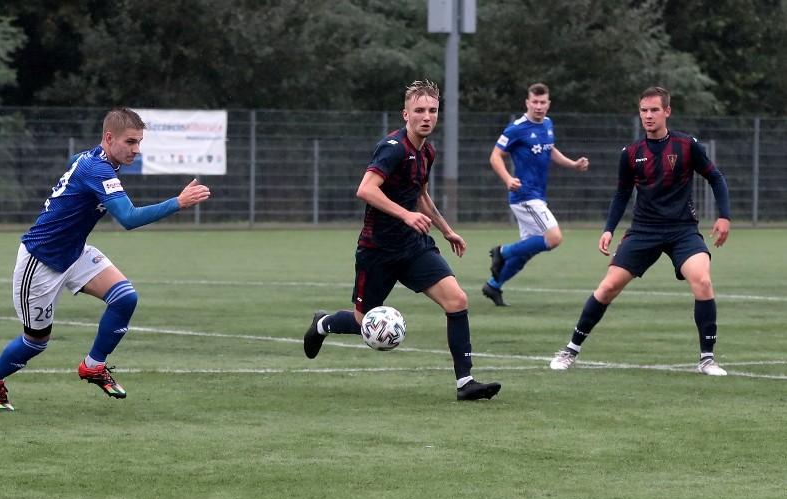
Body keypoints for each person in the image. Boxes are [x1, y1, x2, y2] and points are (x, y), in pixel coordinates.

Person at [0, 107, 211, 410]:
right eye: (130, 142)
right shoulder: (98, 169)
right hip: (42, 260)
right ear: (110, 138)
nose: (136, 150)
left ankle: (93, 365)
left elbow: (76, 162)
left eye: (139, 142)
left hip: (75, 251)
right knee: (36, 342)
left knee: (125, 298)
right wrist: (177, 203)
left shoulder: (97, 161)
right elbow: (128, 218)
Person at [303, 80, 501, 401]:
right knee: (362, 321)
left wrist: (445, 228)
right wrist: (405, 215)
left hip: (413, 247)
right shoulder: (393, 148)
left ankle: (466, 383)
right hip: (377, 250)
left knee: (457, 300)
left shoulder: (428, 152)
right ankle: (323, 323)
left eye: (433, 110)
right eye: (419, 110)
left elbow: (420, 194)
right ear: (405, 114)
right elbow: (366, 189)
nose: (427, 117)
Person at [549, 86, 731, 376]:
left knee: (703, 282)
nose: (648, 115)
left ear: (667, 112)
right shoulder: (631, 153)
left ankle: (707, 359)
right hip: (643, 231)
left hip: (683, 230)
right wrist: (609, 229)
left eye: (654, 110)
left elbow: (716, 178)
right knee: (607, 287)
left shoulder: (686, 146)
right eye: (644, 110)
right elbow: (622, 194)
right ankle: (570, 350)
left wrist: (724, 217)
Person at [483, 83, 589, 307]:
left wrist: (573, 164)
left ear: (548, 104)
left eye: (543, 103)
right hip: (524, 196)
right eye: (535, 102)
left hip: (537, 195)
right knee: (554, 238)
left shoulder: (548, 124)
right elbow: (495, 156)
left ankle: (493, 285)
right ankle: (501, 252)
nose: (539, 107)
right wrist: (508, 179)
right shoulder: (517, 128)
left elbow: (550, 150)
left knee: (525, 254)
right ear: (527, 102)